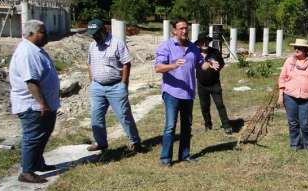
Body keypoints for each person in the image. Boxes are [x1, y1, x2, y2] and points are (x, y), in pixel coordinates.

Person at [155, 19, 220, 167]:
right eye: (181, 29)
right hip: (171, 92)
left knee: (187, 126)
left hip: (188, 92)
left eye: (186, 28)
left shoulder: (193, 47)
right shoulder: (166, 46)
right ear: (174, 31)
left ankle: (184, 155)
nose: (184, 31)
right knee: (170, 126)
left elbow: (201, 65)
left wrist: (209, 63)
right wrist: (173, 65)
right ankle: (165, 159)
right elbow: (158, 68)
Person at [9, 20, 60, 183]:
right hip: (33, 105)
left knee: (43, 134)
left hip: (43, 103)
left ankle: (38, 163)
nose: (46, 35)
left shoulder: (36, 50)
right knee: (33, 136)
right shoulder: (27, 52)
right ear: (31, 34)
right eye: (43, 32)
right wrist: (42, 103)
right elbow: (31, 81)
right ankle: (27, 171)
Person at [86, 19, 143, 153]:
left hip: (116, 86)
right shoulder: (92, 46)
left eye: (96, 34)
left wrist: (123, 84)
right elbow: (89, 63)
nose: (94, 37)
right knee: (96, 116)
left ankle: (135, 142)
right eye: (92, 34)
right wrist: (92, 80)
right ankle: (101, 143)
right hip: (97, 87)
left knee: (124, 115)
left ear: (104, 30)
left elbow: (126, 63)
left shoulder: (117, 43)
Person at [278, 39, 308, 150]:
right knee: (293, 123)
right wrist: (280, 95)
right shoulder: (289, 61)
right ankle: (295, 145)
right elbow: (282, 78)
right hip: (290, 96)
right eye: (295, 48)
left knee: (305, 123)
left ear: (305, 50)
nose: (296, 50)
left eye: (299, 48)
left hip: (307, 98)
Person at [195, 34, 232, 134]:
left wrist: (217, 70)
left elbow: (222, 63)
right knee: (204, 106)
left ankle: (226, 125)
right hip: (201, 85)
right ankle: (208, 124)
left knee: (220, 104)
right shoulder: (195, 53)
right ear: (198, 43)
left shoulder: (215, 52)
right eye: (202, 41)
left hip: (214, 84)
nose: (204, 43)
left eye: (206, 41)